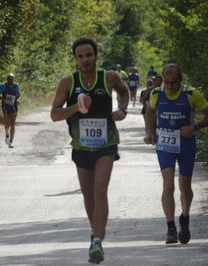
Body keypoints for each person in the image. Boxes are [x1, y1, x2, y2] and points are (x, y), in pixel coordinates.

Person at [51, 37, 129, 264]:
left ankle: (97, 240)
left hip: (106, 143)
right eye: (80, 56)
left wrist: (122, 109)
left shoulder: (109, 77)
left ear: (96, 56)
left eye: (89, 55)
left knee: (100, 189)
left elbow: (123, 93)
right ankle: (95, 230)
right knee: (87, 195)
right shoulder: (68, 82)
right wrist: (76, 107)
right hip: (81, 145)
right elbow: (54, 114)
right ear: (75, 60)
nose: (85, 59)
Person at [144, 63, 208, 245]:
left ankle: (184, 217)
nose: (169, 87)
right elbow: (150, 112)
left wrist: (195, 127)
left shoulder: (191, 94)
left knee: (185, 188)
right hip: (164, 143)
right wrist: (149, 132)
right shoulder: (155, 93)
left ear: (180, 81)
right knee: (168, 186)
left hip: (186, 144)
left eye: (173, 83)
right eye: (166, 83)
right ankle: (170, 228)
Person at [0, 73, 21, 148]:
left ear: (14, 79)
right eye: (9, 79)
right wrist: (5, 99)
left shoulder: (16, 85)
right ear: (7, 79)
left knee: (13, 124)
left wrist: (18, 100)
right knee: (7, 123)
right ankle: (7, 134)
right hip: (5, 106)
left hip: (14, 106)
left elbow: (18, 95)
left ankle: (11, 142)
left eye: (12, 79)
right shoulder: (3, 86)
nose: (10, 80)